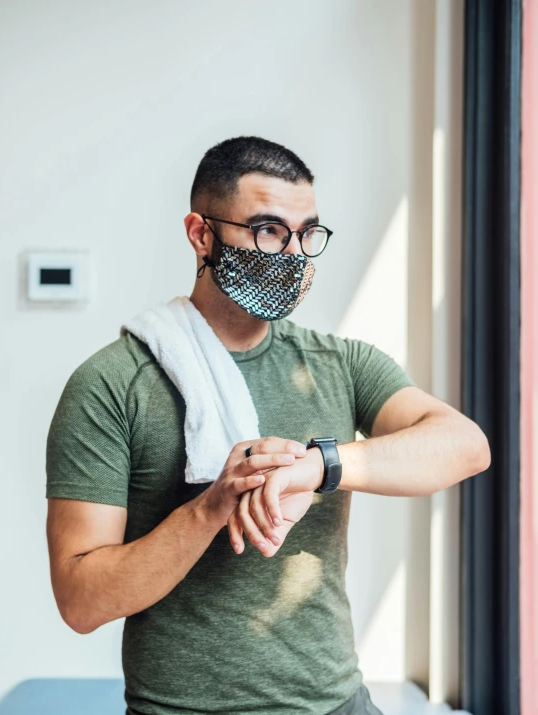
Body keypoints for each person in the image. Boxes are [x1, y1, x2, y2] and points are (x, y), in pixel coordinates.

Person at [45, 136, 491, 715]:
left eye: (307, 234)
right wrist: (210, 508)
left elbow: (466, 445)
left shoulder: (340, 364)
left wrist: (319, 465)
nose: (293, 253)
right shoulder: (112, 384)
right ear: (201, 234)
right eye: (268, 230)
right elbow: (81, 601)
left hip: (338, 703)